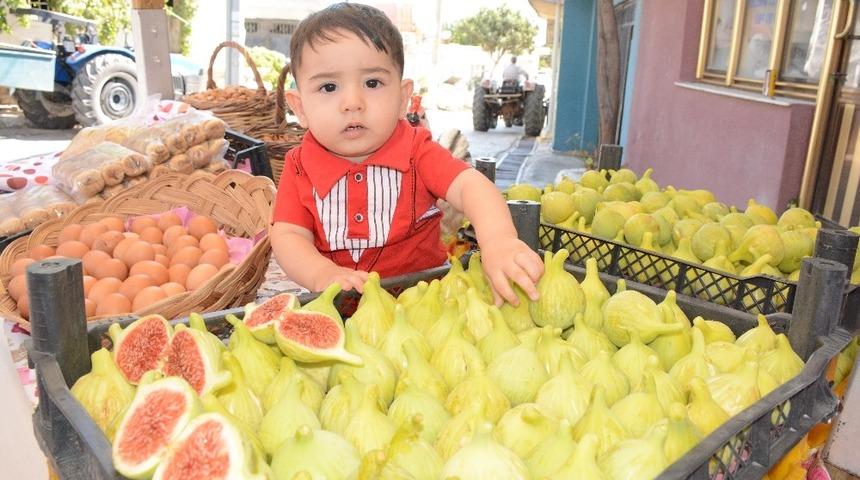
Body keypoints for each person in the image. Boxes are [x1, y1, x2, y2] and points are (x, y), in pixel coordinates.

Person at [271, 3, 543, 306]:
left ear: (402, 99)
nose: (352, 102)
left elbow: (471, 186)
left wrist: (498, 240)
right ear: (299, 108)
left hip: (427, 306)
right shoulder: (299, 166)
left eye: (372, 83)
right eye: (329, 86)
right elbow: (288, 237)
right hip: (337, 309)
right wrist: (323, 274)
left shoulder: (417, 151)